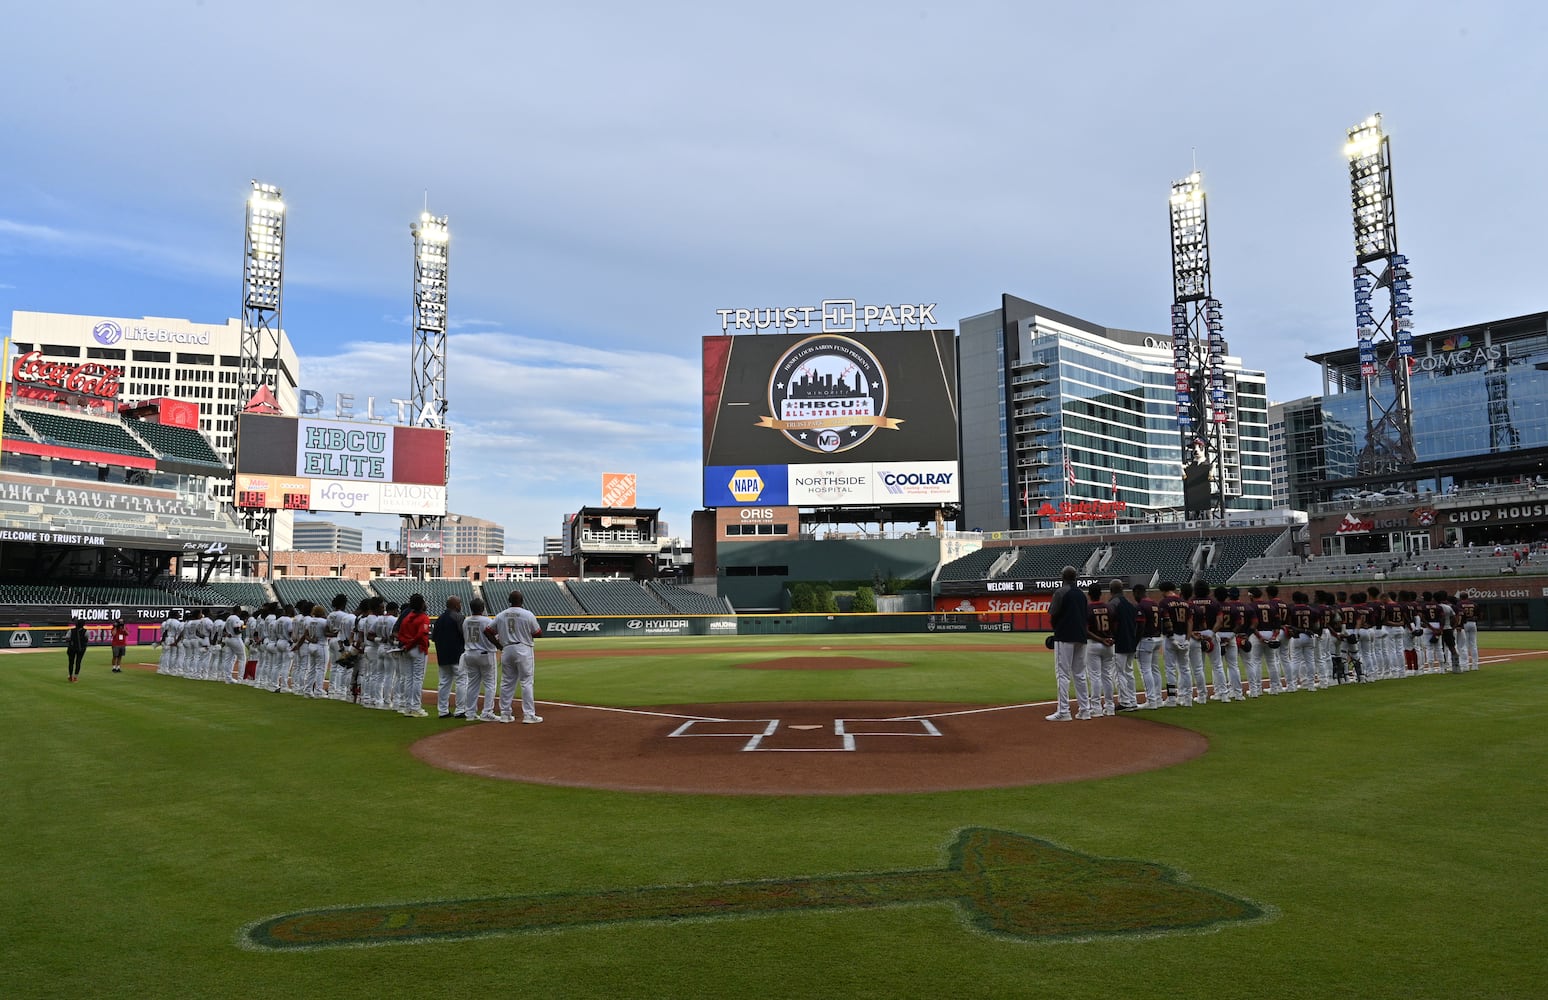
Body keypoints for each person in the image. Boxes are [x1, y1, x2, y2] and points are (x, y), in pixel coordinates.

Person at [491, 590, 544, 723]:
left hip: (507, 648)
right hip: (523, 648)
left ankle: (505, 714)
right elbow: (538, 633)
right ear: (522, 601)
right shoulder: (527, 614)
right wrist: (525, 633)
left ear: (509, 601)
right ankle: (529, 715)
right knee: (526, 682)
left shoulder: (501, 615)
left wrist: (498, 645)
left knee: (507, 682)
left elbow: (487, 631)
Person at [1045, 566, 1091, 721]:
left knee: (1063, 674)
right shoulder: (1082, 594)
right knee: (1080, 674)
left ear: (1062, 577)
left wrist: (1056, 630)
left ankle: (1064, 711)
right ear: (1076, 577)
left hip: (1065, 636)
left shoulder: (1061, 592)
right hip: (1081, 636)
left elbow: (1053, 614)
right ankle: (1085, 710)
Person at [457, 597, 500, 721]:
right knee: (490, 684)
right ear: (482, 608)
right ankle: (487, 712)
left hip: (469, 653)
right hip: (485, 654)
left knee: (472, 684)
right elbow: (495, 636)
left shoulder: (466, 621)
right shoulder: (487, 620)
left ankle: (470, 713)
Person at [394, 594, 432, 718]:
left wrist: (406, 644)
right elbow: (421, 635)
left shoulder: (407, 617)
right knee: (417, 679)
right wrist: (410, 644)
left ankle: (408, 706)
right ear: (421, 604)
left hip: (406, 649)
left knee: (409, 678)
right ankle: (415, 707)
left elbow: (400, 634)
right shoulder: (423, 618)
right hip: (417, 649)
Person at [1105, 579, 1139, 711]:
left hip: (1119, 642)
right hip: (1131, 642)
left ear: (1110, 590)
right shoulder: (1131, 605)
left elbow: (1113, 624)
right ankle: (1132, 700)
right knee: (1129, 672)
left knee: (1119, 673)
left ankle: (1125, 702)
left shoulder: (1113, 604)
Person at [432, 595, 466, 718]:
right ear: (456, 605)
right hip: (457, 654)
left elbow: (434, 638)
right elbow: (464, 636)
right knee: (461, 681)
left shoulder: (439, 619)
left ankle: (443, 711)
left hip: (442, 655)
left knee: (444, 683)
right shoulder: (458, 617)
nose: (460, 606)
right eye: (459, 603)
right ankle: (460, 710)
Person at [1131, 584, 1164, 709]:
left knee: (1145, 670)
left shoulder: (1141, 605)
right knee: (1155, 669)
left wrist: (1135, 643)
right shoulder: (1155, 603)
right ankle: (1158, 698)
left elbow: (1140, 626)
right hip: (1157, 637)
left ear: (1138, 592)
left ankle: (1151, 700)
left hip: (1146, 639)